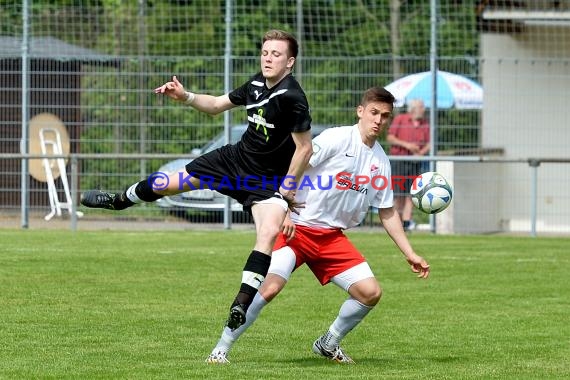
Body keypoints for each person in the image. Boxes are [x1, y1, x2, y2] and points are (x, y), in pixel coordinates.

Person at [80, 29, 313, 331]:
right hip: (232, 161)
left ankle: (240, 304)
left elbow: (304, 148)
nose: (268, 58)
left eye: (276, 54)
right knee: (166, 184)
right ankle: (119, 201)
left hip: (264, 180)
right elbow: (216, 105)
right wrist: (185, 96)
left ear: (290, 62)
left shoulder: (293, 97)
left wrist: (286, 191)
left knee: (268, 233)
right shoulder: (256, 83)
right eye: (265, 52)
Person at [206, 87, 430, 364]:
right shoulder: (337, 138)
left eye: (385, 116)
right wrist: (282, 208)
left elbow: (387, 211)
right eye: (374, 113)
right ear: (360, 111)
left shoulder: (380, 161)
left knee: (370, 293)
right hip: (296, 227)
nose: (378, 121)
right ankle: (220, 349)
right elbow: (294, 163)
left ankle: (328, 343)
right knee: (270, 288)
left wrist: (410, 253)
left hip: (331, 238)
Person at [386, 99, 430, 231]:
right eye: (421, 106)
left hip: (415, 162)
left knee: (411, 194)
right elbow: (390, 138)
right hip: (399, 160)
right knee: (398, 193)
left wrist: (421, 153)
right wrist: (408, 145)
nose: (423, 109)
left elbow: (429, 142)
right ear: (413, 109)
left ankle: (406, 222)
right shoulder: (401, 119)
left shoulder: (425, 124)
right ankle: (396, 221)